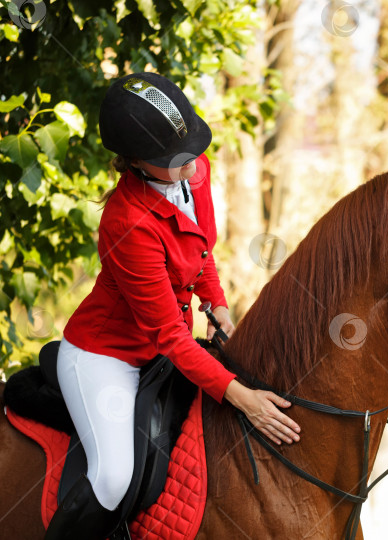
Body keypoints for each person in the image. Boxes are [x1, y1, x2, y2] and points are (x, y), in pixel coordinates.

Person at [45, 72, 301, 540]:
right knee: (113, 477)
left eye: (190, 151)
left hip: (168, 348)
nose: (190, 165)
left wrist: (217, 305)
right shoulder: (126, 222)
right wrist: (245, 400)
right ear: (137, 162)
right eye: (172, 160)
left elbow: (201, 252)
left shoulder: (192, 169)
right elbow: (168, 336)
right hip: (106, 356)